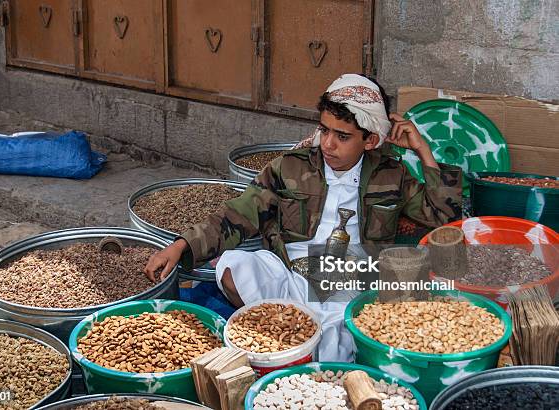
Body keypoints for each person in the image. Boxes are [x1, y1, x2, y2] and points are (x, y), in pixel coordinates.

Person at [145, 74, 462, 361]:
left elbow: (443, 216)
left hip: (354, 284)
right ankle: (292, 330)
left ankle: (306, 341)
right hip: (292, 277)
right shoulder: (292, 167)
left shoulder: (390, 174)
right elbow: (238, 212)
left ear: (370, 140)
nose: (328, 144)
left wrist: (422, 150)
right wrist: (181, 246)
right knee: (233, 267)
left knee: (343, 343)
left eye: (342, 136)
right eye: (324, 130)